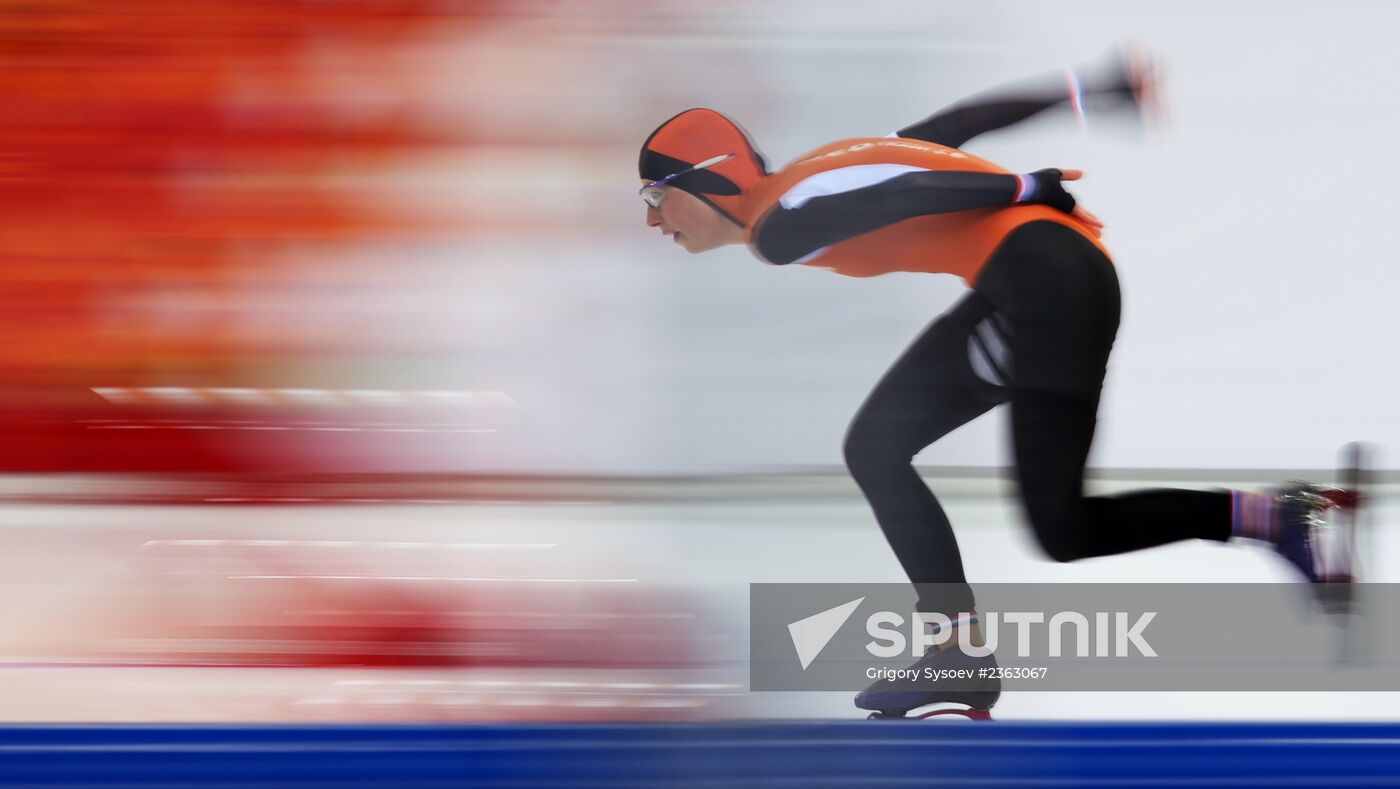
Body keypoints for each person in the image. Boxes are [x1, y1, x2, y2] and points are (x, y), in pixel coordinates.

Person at [637, 49, 1355, 718]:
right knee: (894, 455)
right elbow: (955, 128)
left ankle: (1268, 517)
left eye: (654, 193)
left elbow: (904, 196)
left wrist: (1022, 185)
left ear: (704, 179)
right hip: (1036, 279)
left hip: (1044, 282)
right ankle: (961, 648)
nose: (650, 218)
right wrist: (1087, 91)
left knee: (1051, 525)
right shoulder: (818, 174)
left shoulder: (778, 225)